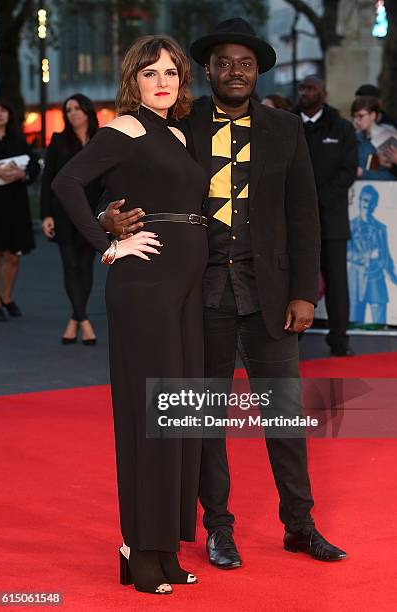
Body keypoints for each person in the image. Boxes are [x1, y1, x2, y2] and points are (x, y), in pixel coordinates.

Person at [100, 19, 347, 568]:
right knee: (203, 421)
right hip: (197, 294)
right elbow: (121, 179)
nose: (234, 71)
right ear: (206, 71)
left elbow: (305, 216)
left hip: (270, 294)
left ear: (258, 72)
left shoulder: (285, 128)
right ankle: (219, 528)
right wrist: (107, 218)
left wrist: (305, 292)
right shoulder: (178, 124)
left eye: (246, 64)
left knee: (283, 416)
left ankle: (300, 525)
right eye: (223, 63)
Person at [52, 35, 209, 595]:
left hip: (186, 287)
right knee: (149, 418)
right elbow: (66, 182)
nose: (163, 82)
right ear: (133, 81)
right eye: (150, 74)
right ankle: (139, 549)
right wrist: (106, 243)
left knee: (181, 416)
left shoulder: (176, 132)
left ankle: (160, 547)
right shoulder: (126, 128)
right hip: (145, 285)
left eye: (171, 72)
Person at [294, 75, 358, 357]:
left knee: (336, 282)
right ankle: (290, 340)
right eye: (302, 88)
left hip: (331, 220)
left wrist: (319, 199)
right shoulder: (289, 123)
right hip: (295, 220)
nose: (305, 93)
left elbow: (348, 171)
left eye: (311, 88)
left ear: (324, 93)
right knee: (294, 280)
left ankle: (339, 341)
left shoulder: (342, 128)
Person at [40, 94, 103, 344]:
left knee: (86, 268)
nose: (73, 113)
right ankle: (83, 320)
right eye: (69, 110)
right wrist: (46, 214)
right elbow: (48, 180)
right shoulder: (58, 141)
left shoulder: (101, 140)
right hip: (63, 213)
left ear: (88, 111)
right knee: (70, 267)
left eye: (78, 108)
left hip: (91, 214)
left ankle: (75, 319)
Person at [0, 97, 40, 322]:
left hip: (15, 204)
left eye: (3, 110)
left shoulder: (19, 139)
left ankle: (7, 297)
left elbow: (33, 165)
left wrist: (23, 174)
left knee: (13, 255)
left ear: (9, 114)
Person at [348, 185, 397, 324]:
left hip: (377, 278)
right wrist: (368, 255)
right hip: (356, 279)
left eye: (371, 202)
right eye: (364, 200)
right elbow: (347, 253)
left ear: (375, 204)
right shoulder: (350, 226)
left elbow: (386, 255)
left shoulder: (381, 228)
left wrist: (394, 277)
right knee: (354, 325)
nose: (367, 205)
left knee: (379, 324)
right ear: (359, 202)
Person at [351, 96, 397, 182]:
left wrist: (362, 173)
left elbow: (391, 176)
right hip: (356, 190)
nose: (356, 120)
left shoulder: (386, 139)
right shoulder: (353, 139)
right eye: (355, 116)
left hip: (384, 191)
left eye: (361, 116)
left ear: (373, 115)